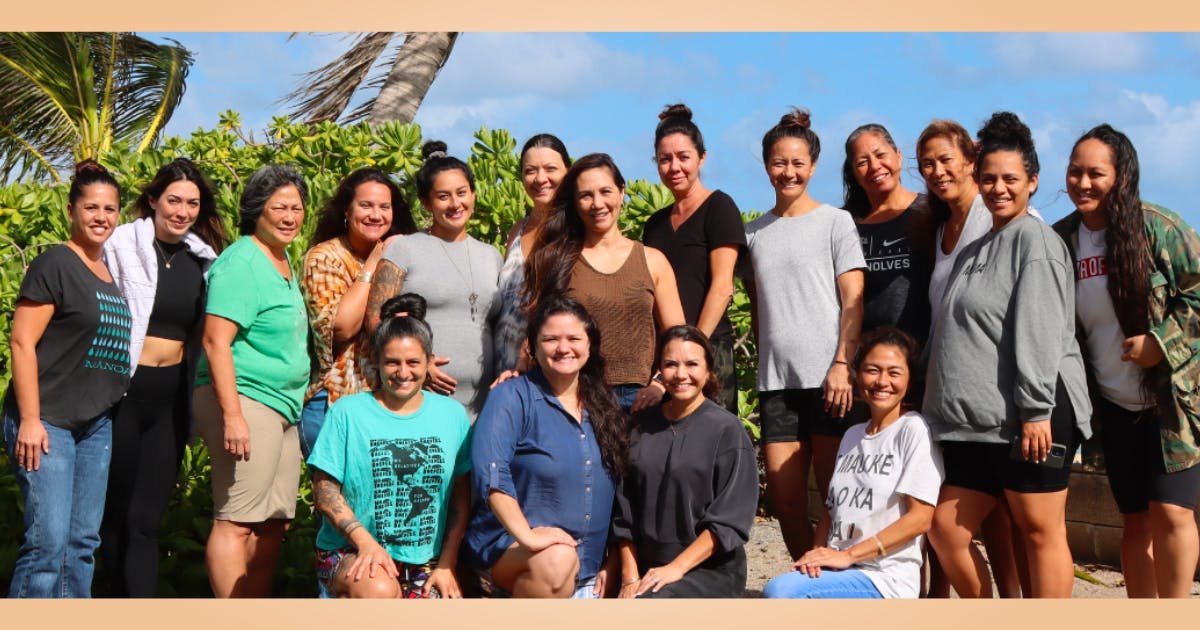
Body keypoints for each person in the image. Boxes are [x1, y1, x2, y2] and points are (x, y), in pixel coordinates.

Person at [924, 112, 1092, 599]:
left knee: (1041, 535)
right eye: (990, 178)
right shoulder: (981, 244)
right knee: (945, 530)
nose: (999, 188)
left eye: (1011, 179)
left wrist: (1036, 412)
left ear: (1033, 182)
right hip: (978, 426)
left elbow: (1040, 331)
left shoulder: (1034, 240)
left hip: (1033, 416)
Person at [1052, 124, 1200, 598]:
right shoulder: (1062, 241)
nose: (1083, 182)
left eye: (1096, 173)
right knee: (1134, 523)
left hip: (1170, 403)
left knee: (1173, 514)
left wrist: (1160, 342)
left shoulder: (1158, 227)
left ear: (1121, 177)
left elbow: (1197, 294)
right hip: (1109, 405)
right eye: (1075, 172)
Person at [99, 157, 227, 597]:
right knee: (112, 515)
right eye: (173, 200)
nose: (182, 211)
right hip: (121, 398)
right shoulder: (118, 247)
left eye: (192, 203)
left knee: (146, 520)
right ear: (153, 200)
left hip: (169, 403)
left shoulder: (202, 261)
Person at [3, 160, 131, 598]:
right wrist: (30, 420)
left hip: (95, 425)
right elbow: (21, 342)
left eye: (110, 209)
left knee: (81, 546)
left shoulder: (108, 273)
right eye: (91, 207)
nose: (101, 217)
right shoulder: (56, 262)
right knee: (47, 545)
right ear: (71, 211)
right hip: (48, 421)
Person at [743, 109, 865, 560]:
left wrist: (841, 365)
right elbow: (759, 308)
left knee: (839, 501)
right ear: (765, 165)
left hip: (831, 382)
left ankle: (836, 580)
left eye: (798, 163)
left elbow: (854, 297)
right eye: (779, 162)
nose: (788, 172)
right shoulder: (753, 234)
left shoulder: (836, 222)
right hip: (777, 385)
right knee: (786, 502)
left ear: (813, 166)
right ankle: (808, 581)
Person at [192, 164, 311, 598]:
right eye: (279, 207)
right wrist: (233, 416)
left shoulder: (281, 260)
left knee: (274, 522)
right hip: (246, 399)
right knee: (237, 520)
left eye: (296, 208)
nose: (289, 216)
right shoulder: (241, 261)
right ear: (256, 211)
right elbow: (215, 341)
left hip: (282, 406)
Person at [914, 120, 1021, 598]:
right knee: (969, 522)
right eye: (927, 165)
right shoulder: (939, 226)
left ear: (970, 161)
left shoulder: (994, 214)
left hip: (997, 396)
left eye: (945, 160)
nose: (937, 171)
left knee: (1008, 526)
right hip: (950, 397)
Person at [464, 295, 628, 598]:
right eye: (551, 339)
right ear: (533, 348)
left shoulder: (605, 405)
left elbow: (621, 494)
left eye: (573, 338)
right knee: (557, 559)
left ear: (590, 345)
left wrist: (615, 560)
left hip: (590, 570)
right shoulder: (511, 397)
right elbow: (491, 474)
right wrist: (527, 537)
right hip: (517, 553)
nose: (563, 347)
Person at [308, 293, 471, 599]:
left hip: (425, 559)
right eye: (392, 362)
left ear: (429, 361)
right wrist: (365, 542)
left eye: (413, 362)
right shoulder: (347, 412)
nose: (403, 372)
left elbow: (461, 494)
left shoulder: (451, 416)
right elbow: (324, 491)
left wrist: (447, 564)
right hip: (351, 549)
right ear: (377, 361)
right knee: (379, 590)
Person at [762, 327, 943, 599]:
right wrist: (816, 556)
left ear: (908, 380)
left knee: (781, 592)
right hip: (843, 570)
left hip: (885, 577)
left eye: (894, 372)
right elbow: (831, 511)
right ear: (858, 376)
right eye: (872, 370)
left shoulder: (913, 430)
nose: (882, 381)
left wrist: (848, 555)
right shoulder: (852, 435)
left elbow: (920, 519)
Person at [524, 152, 685, 412]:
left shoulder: (653, 261)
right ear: (575, 203)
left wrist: (658, 384)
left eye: (605, 191)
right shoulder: (555, 260)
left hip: (644, 403)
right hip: (577, 398)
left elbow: (678, 338)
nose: (597, 203)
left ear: (622, 192)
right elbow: (535, 339)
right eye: (586, 195)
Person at [613, 325, 758, 598]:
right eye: (670, 364)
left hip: (708, 569)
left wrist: (676, 568)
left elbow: (729, 521)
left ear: (708, 370)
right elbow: (624, 512)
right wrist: (629, 576)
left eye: (692, 364)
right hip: (646, 566)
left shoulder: (726, 431)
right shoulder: (639, 427)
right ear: (659, 370)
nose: (681, 374)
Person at [367, 141, 502, 419]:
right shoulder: (404, 249)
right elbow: (375, 321)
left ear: (474, 195)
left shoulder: (491, 255)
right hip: (420, 402)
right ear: (427, 203)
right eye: (443, 196)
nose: (455, 204)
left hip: (483, 407)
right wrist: (419, 366)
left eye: (462, 193)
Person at [300, 167, 417, 457]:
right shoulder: (324, 256)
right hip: (335, 402)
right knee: (335, 500)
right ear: (346, 212)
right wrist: (375, 261)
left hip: (387, 400)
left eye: (384, 207)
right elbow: (342, 328)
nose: (375, 215)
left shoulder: (403, 255)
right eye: (366, 205)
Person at [642, 104, 747, 414]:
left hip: (710, 348)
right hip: (665, 358)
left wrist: (694, 350)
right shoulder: (655, 224)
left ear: (702, 158)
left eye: (683, 157)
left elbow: (722, 287)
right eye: (665, 159)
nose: (674, 167)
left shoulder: (719, 207)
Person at [842, 123, 935, 348]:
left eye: (880, 155)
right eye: (863, 162)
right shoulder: (844, 225)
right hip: (865, 367)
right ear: (854, 173)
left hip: (923, 360)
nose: (875, 166)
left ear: (899, 157)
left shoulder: (932, 212)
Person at [494, 134, 571, 374]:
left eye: (551, 169)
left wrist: (529, 347)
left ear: (568, 172)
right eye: (530, 170)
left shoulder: (575, 230)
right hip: (504, 366)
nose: (540, 179)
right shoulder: (518, 229)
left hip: (549, 365)